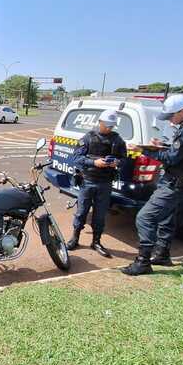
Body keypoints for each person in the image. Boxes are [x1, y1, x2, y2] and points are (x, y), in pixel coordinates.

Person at [122, 95, 183, 276]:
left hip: (175, 184)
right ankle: (162, 254)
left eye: (172, 115)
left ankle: (143, 262)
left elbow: (172, 158)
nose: (170, 119)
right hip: (180, 182)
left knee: (144, 218)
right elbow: (180, 152)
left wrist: (144, 150)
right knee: (166, 218)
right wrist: (161, 146)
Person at [67, 109, 127, 257]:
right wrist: (94, 162)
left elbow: (124, 159)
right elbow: (76, 158)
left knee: (100, 215)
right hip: (88, 181)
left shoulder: (117, 140)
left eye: (111, 126)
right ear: (100, 122)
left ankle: (96, 241)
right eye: (106, 125)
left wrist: (117, 163)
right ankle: (75, 238)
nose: (108, 128)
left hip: (105, 183)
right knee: (81, 212)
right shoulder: (88, 137)